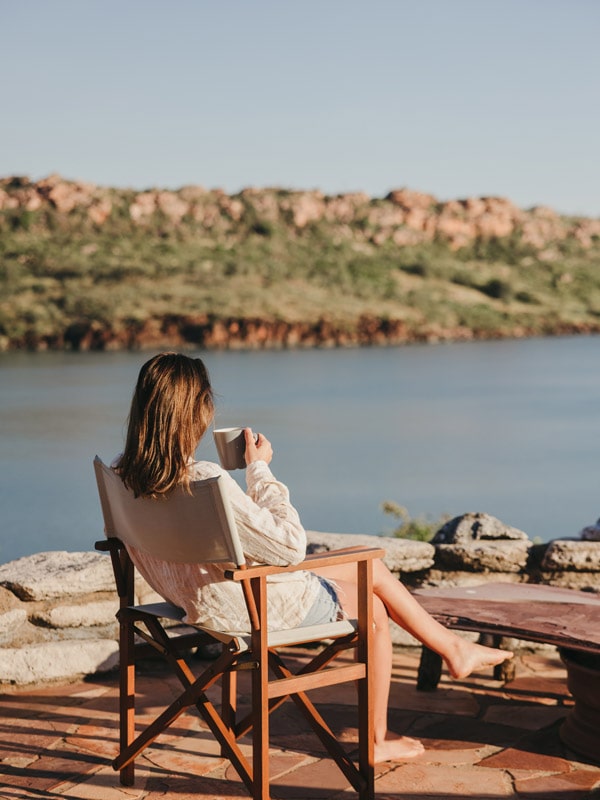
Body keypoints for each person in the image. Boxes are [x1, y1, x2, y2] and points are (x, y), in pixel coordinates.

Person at [115, 352, 513, 764]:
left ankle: (451, 649)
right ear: (197, 411)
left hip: (192, 597)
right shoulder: (203, 479)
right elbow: (290, 548)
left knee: (370, 564)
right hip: (244, 606)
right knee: (373, 604)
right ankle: (380, 735)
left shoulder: (124, 475)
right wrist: (259, 470)